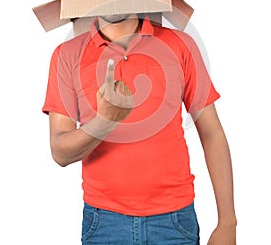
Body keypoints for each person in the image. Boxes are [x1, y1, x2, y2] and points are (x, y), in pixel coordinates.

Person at [43, 12, 237, 244]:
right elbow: (60, 151)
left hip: (175, 222)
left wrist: (227, 222)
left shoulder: (180, 44)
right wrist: (104, 122)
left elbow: (211, 133)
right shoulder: (67, 54)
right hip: (105, 223)